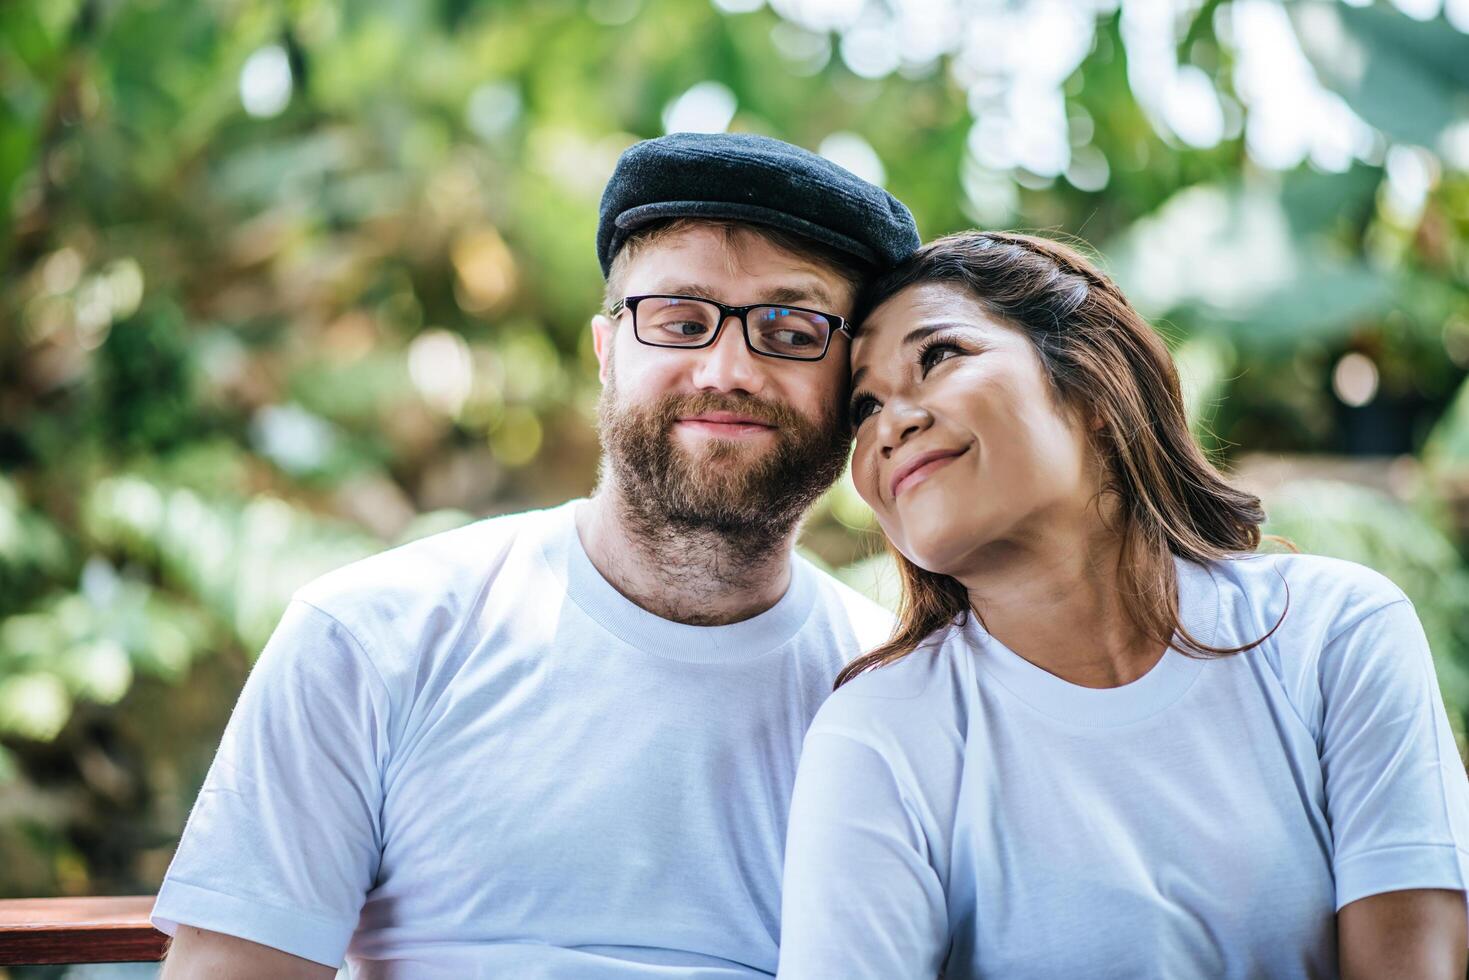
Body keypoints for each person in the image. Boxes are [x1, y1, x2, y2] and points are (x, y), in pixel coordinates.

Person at [150, 132, 918, 979]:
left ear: (855, 386)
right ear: (607, 353)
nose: (725, 367)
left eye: (789, 326)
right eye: (679, 319)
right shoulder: (370, 637)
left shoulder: (896, 693)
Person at [776, 230, 1469, 979]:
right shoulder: (879, 734)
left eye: (938, 355)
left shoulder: (1333, 632)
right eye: (863, 406)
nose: (889, 424)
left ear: (1092, 384)